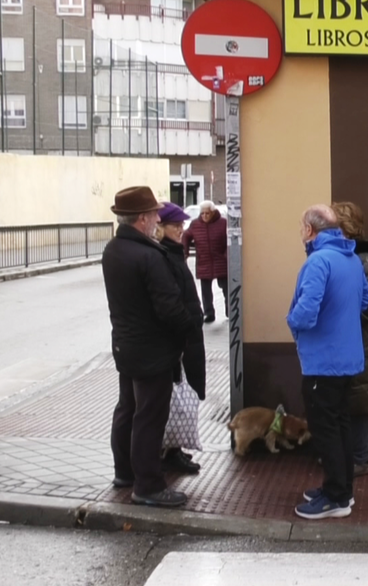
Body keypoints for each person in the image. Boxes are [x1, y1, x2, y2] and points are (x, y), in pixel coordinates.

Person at [102, 187, 203, 508]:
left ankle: (125, 472)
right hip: (153, 352)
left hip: (126, 346)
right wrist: (191, 324)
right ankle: (148, 485)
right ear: (142, 219)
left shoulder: (114, 248)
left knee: (127, 410)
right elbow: (169, 309)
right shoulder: (149, 255)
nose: (158, 219)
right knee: (149, 417)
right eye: (154, 214)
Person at [288, 204, 368, 520]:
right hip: (347, 359)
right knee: (340, 426)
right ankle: (341, 491)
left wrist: (292, 321)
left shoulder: (318, 261)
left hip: (322, 362)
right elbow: (365, 300)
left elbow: (306, 312)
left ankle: (335, 496)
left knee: (326, 430)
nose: (301, 233)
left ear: (310, 230)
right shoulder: (351, 259)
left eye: (301, 228)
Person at [332, 201, 368, 478]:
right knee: (353, 400)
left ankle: (359, 457)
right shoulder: (352, 256)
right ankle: (352, 455)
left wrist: (347, 317)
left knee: (360, 402)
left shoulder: (365, 259)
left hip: (365, 342)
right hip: (357, 340)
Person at [155, 203, 206, 475]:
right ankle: (166, 452)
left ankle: (174, 450)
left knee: (185, 394)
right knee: (172, 399)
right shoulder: (163, 256)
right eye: (175, 225)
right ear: (159, 226)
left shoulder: (175, 253)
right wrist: (187, 328)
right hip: (180, 339)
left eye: (182, 224)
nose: (181, 229)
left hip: (189, 337)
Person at [182, 201, 228, 323]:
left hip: (220, 261)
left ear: (213, 212)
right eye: (202, 214)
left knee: (225, 287)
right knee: (205, 291)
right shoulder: (195, 224)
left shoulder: (223, 223)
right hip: (204, 261)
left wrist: (226, 254)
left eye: (207, 213)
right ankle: (209, 313)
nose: (204, 216)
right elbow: (186, 236)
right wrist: (184, 252)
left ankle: (230, 311)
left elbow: (230, 239)